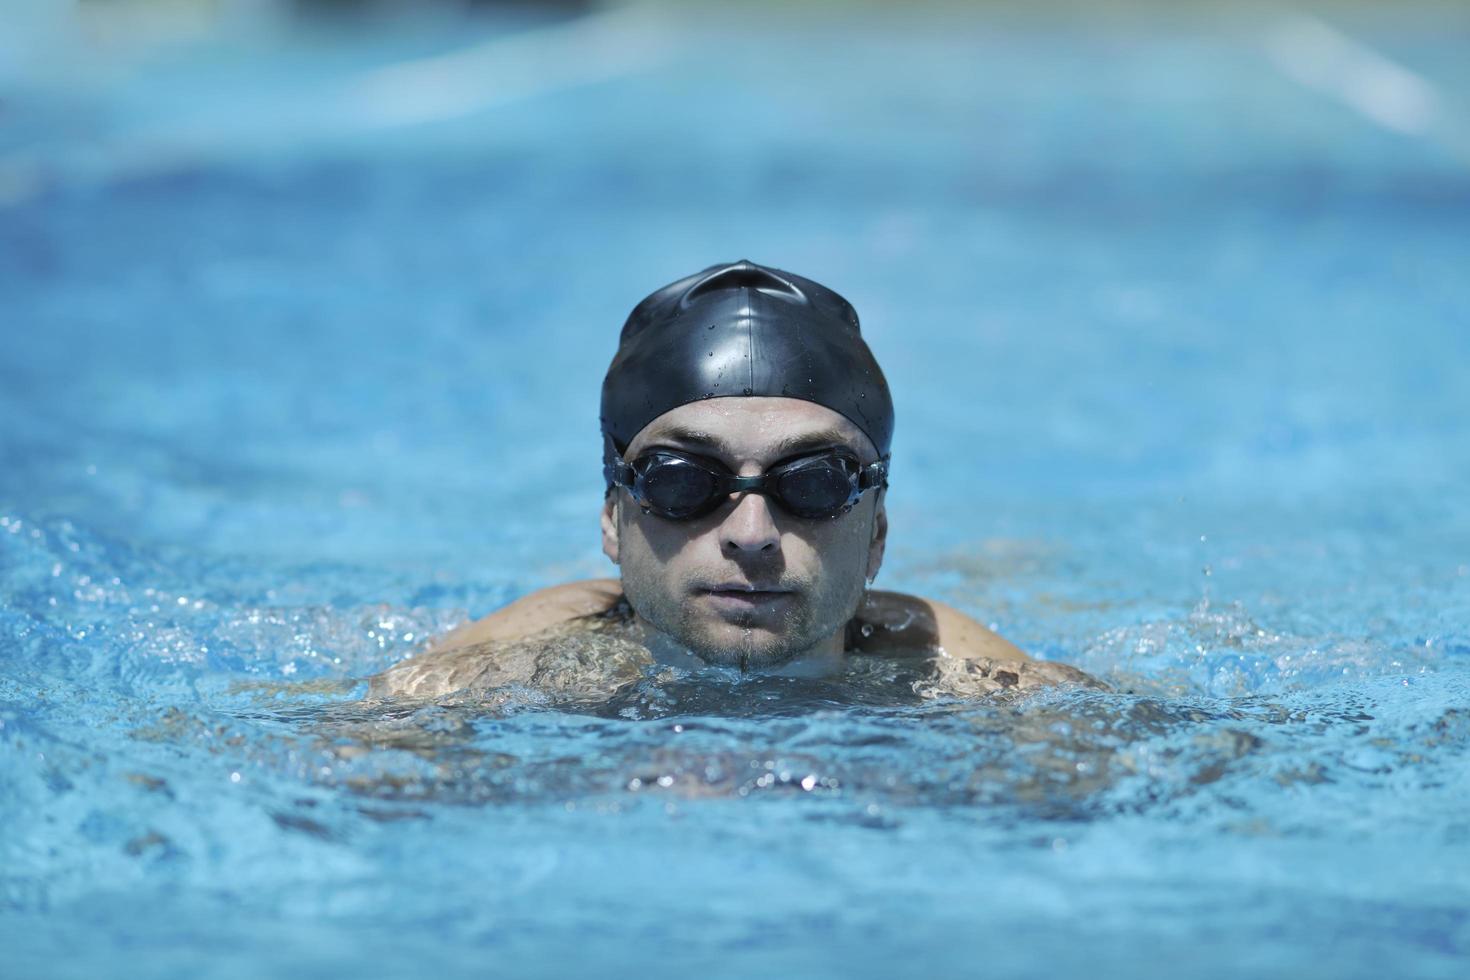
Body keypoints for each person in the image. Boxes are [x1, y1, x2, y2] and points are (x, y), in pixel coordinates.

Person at [371, 261, 1099, 699]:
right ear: (610, 517)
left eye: (813, 483)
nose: (750, 536)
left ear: (876, 534)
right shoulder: (492, 675)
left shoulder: (967, 681)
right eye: (682, 481)